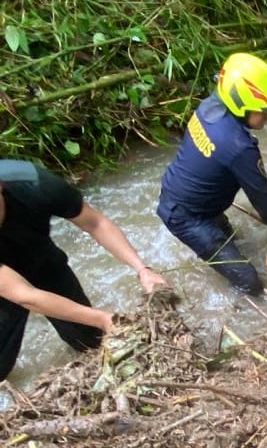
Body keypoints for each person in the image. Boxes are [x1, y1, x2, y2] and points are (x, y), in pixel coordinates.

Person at [0, 159, 169, 382]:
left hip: (41, 262)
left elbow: (95, 223)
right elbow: (24, 295)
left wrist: (142, 269)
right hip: (7, 288)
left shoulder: (33, 184)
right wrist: (104, 318)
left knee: (90, 340)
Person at [156, 52, 267, 296]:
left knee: (233, 238)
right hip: (188, 218)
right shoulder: (239, 147)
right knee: (250, 282)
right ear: (240, 105)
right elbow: (262, 197)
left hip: (183, 196)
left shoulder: (210, 107)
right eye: (263, 110)